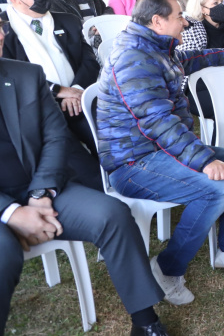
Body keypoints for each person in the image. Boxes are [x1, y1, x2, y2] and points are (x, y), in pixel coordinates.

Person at [97, 0, 224, 306]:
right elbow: (159, 123)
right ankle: (166, 269)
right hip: (133, 162)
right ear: (157, 20)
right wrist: (204, 161)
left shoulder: (154, 47)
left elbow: (184, 59)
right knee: (215, 189)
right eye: (179, 15)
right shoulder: (133, 59)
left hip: (158, 151)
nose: (185, 20)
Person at [0, 43, 170, 336]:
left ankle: (145, 322)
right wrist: (10, 212)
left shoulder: (26, 74)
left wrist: (40, 195)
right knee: (3, 253)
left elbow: (55, 138)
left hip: (41, 187)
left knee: (112, 214)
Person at [0, 0, 102, 189]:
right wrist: (58, 91)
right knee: (81, 166)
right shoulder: (4, 32)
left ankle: (132, 180)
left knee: (111, 141)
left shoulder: (68, 20)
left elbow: (89, 60)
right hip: (38, 107)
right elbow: (9, 74)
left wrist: (74, 89)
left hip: (79, 99)